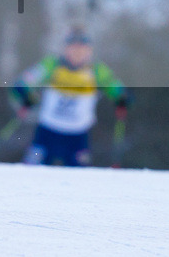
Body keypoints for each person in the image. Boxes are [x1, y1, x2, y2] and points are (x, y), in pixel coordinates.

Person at [9, 27, 131, 167]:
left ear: (88, 51)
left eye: (82, 49)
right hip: (47, 132)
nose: (77, 53)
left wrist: (122, 97)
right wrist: (25, 95)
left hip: (78, 135)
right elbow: (24, 81)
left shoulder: (96, 70)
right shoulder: (52, 65)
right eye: (73, 48)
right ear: (66, 49)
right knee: (31, 168)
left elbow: (115, 87)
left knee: (79, 177)